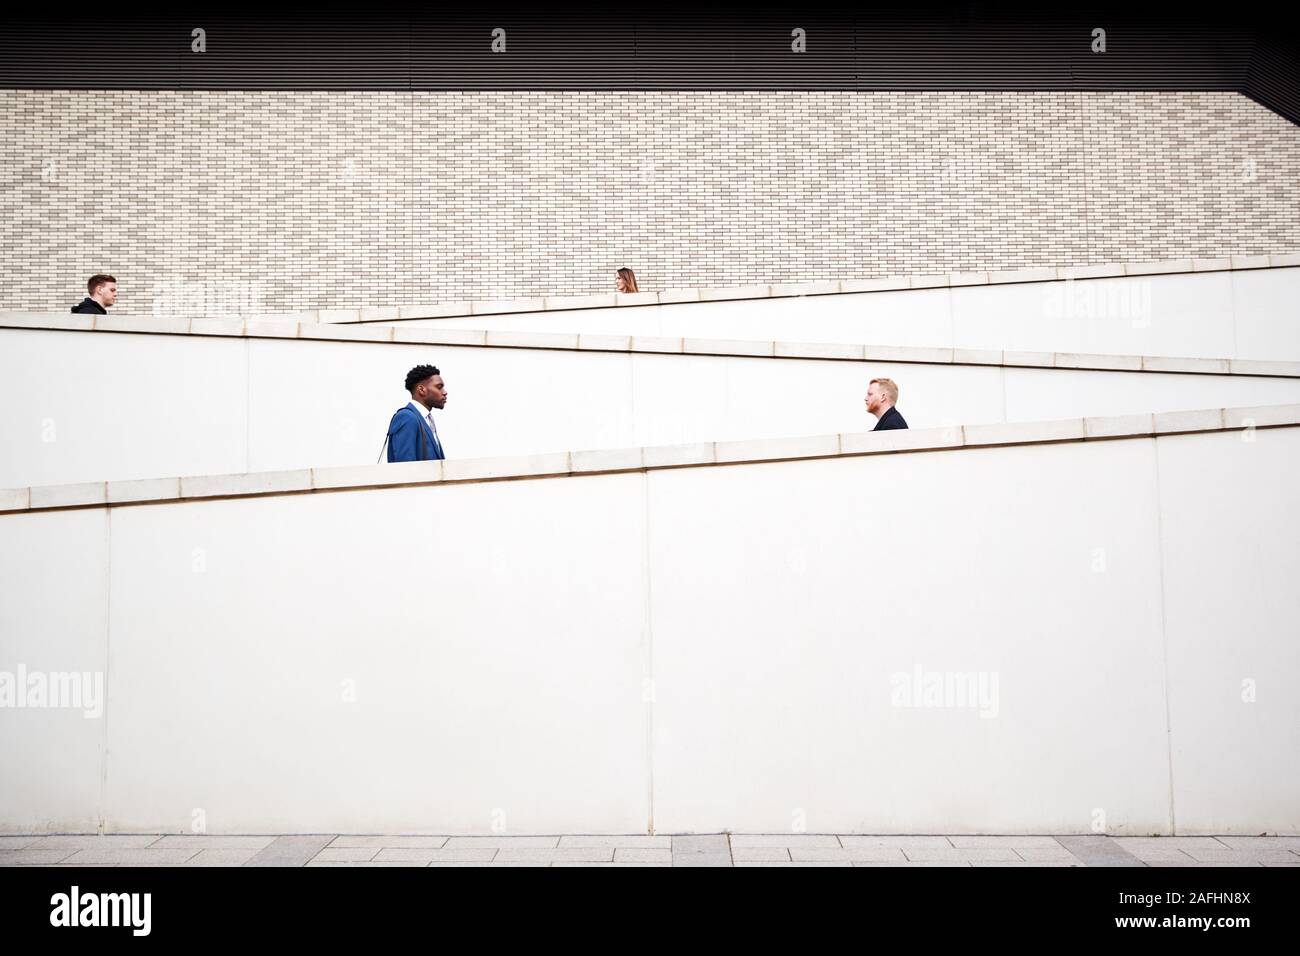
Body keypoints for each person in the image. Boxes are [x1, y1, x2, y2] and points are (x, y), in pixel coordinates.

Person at [386, 365, 448, 462]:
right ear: (421, 390)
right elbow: (405, 467)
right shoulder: (407, 417)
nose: (444, 392)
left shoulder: (426, 420)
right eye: (439, 387)